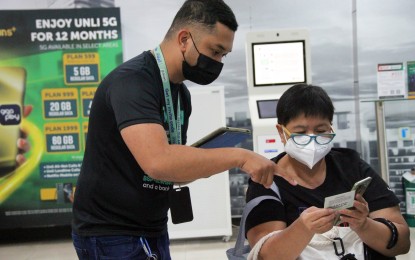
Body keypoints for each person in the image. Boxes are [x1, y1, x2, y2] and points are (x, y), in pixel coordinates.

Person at [71, 1, 292, 259]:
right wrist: (240, 157)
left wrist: (205, 159)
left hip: (152, 227)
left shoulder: (180, 95)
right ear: (184, 39)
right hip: (111, 232)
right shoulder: (133, 82)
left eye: (224, 55)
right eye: (215, 51)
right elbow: (158, 162)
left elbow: (174, 172)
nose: (218, 62)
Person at [245, 84, 411, 259]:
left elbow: (402, 243)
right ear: (281, 132)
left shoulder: (352, 167)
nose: (312, 139)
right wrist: (302, 229)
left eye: (321, 131)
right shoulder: (268, 180)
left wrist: (364, 225)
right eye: (300, 132)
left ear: (331, 127)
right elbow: (265, 255)